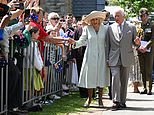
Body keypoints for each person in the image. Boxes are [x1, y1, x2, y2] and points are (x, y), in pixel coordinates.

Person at [69, 11, 110, 107]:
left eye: (96, 19)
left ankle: (100, 100)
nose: (95, 21)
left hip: (102, 55)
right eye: (93, 19)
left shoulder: (106, 29)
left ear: (99, 19)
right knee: (90, 77)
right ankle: (90, 99)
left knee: (101, 77)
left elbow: (109, 42)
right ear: (90, 21)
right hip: (90, 55)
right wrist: (74, 42)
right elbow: (82, 41)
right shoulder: (87, 29)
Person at [106, 7, 137, 110]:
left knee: (124, 81)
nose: (116, 18)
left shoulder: (131, 27)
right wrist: (107, 59)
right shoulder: (110, 28)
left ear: (123, 16)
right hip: (113, 57)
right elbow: (107, 44)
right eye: (115, 16)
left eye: (118, 16)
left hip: (126, 57)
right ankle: (115, 101)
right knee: (115, 78)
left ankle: (122, 101)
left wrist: (137, 43)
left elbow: (135, 42)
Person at [137, 8, 154, 95]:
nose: (142, 17)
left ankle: (149, 88)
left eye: (143, 15)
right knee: (142, 70)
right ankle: (144, 87)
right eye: (141, 16)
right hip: (140, 51)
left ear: (147, 15)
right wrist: (138, 46)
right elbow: (136, 38)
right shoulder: (138, 26)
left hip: (149, 51)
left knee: (148, 70)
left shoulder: (151, 25)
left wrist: (146, 47)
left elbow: (153, 39)